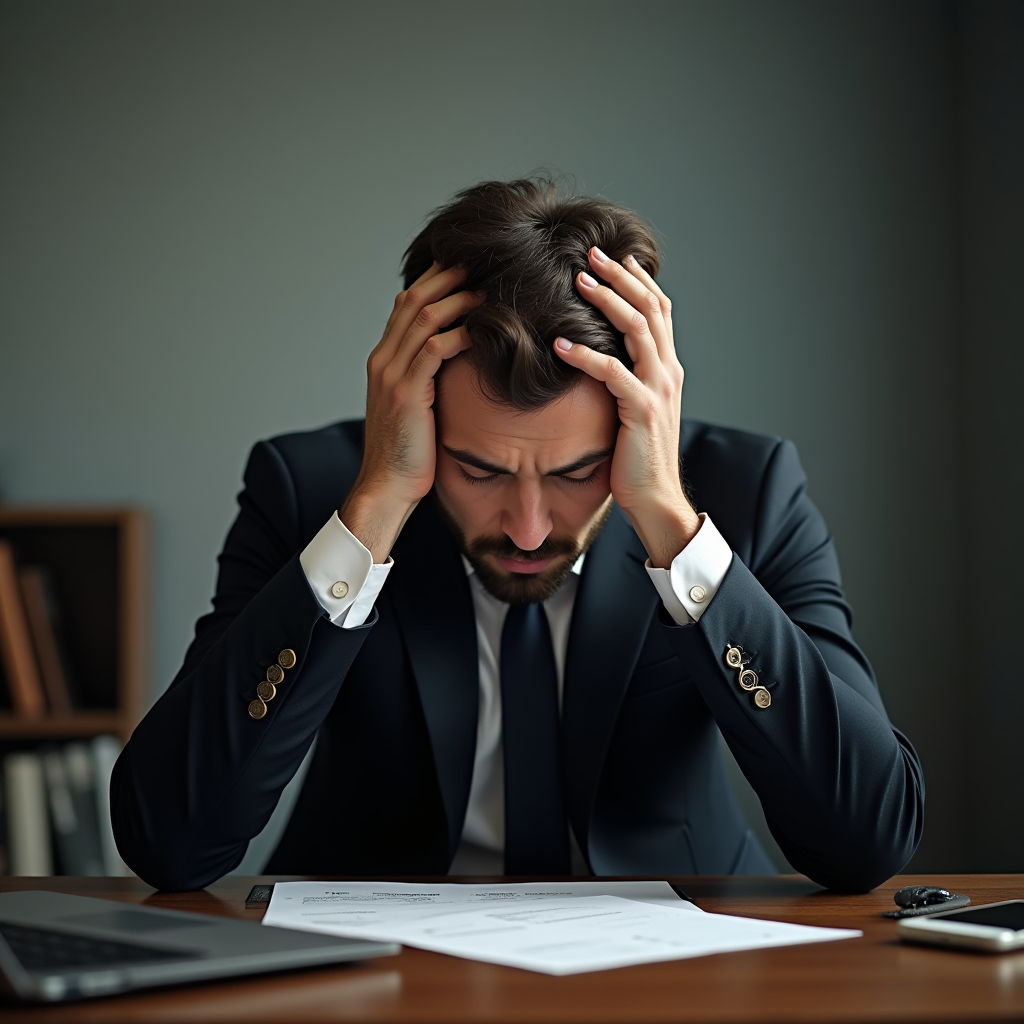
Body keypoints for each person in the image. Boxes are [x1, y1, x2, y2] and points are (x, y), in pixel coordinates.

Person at [112, 178, 924, 892]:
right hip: (373, 963)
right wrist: (374, 515)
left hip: (682, 959)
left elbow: (867, 841)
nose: (530, 528)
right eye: (480, 470)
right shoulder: (310, 494)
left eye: (576, 473)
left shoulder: (748, 493)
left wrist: (673, 532)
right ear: (417, 411)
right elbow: (171, 845)